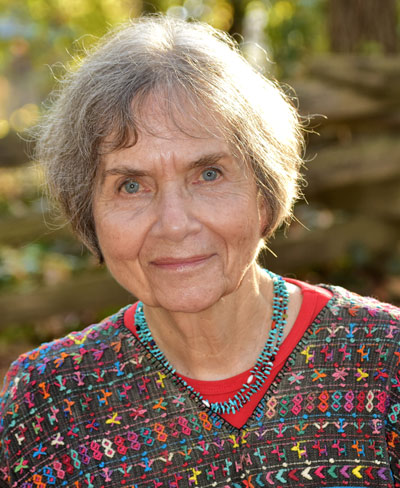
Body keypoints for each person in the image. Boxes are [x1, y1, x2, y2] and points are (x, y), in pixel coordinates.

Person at [1, 15, 399, 488]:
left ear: (265, 191)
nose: (175, 224)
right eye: (131, 185)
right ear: (88, 212)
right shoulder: (48, 400)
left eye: (208, 174)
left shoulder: (385, 363)